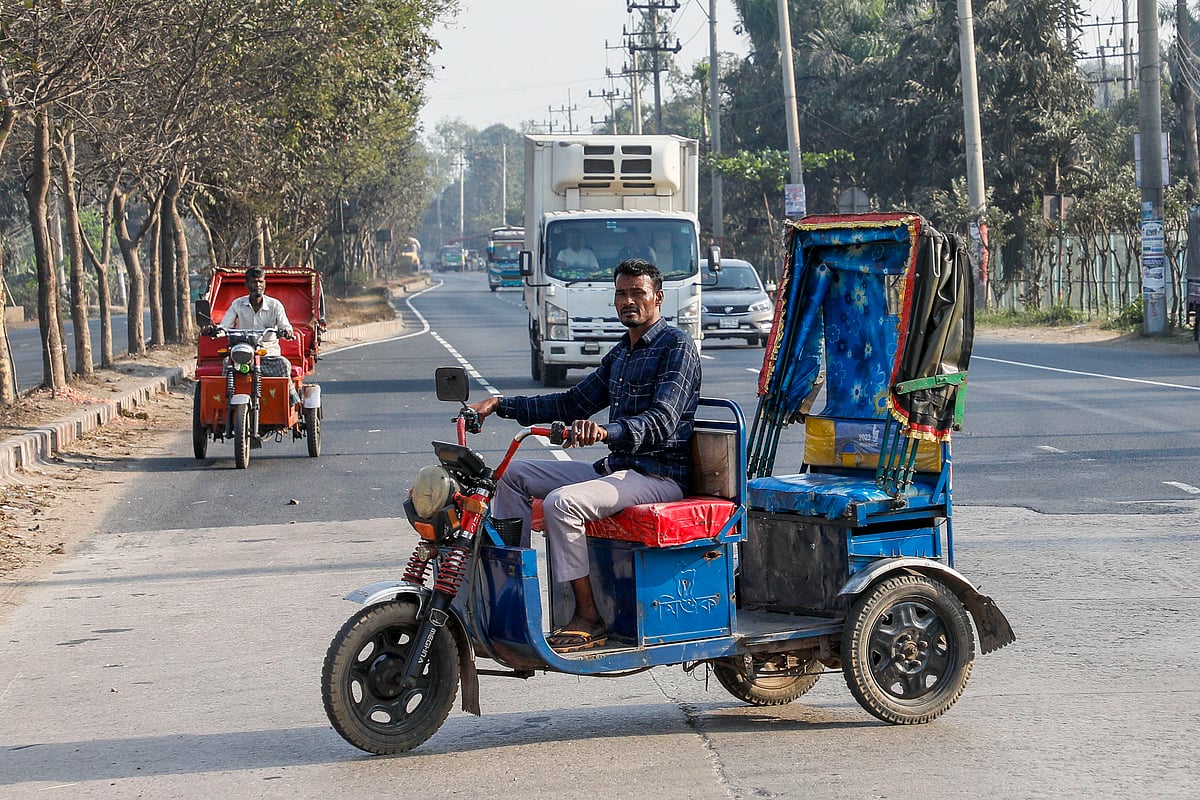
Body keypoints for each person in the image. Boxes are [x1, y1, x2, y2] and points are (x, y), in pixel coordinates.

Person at [468, 258, 701, 653]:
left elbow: (661, 421)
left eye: (638, 293)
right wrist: (501, 405)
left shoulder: (677, 347)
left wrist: (606, 432)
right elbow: (573, 401)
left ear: (658, 298)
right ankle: (513, 592)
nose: (629, 301)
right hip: (617, 472)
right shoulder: (622, 354)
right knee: (510, 475)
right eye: (622, 293)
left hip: (658, 477)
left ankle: (589, 617)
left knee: (562, 504)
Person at [208, 267, 298, 397]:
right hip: (242, 354)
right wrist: (215, 331)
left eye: (261, 282)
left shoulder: (275, 305)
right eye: (253, 282)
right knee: (227, 363)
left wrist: (287, 332)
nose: (257, 285)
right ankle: (225, 402)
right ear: (247, 284)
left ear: (265, 284)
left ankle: (288, 399)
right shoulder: (237, 304)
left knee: (284, 364)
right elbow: (225, 326)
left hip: (268, 354)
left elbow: (286, 325)